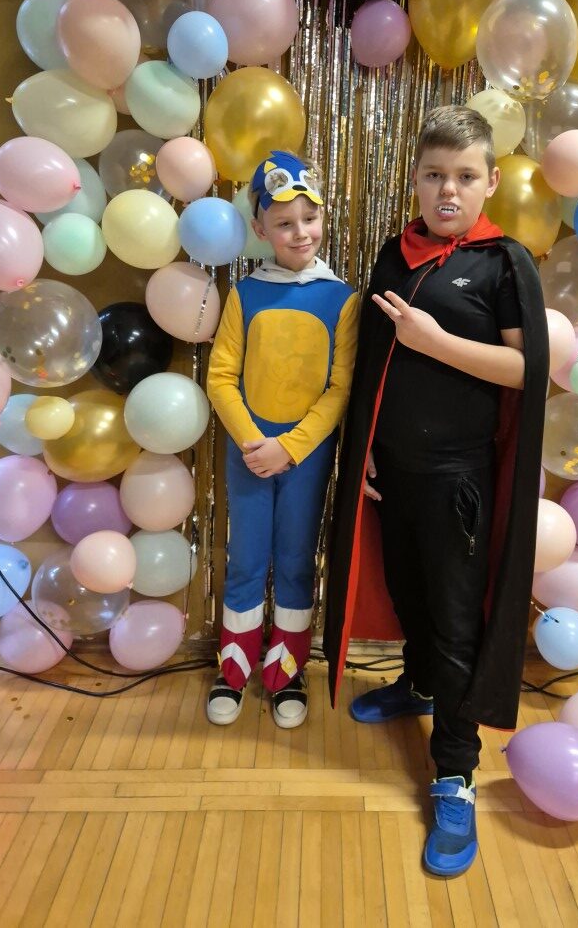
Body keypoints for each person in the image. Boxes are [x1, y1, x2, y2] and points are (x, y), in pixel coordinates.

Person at [322, 106, 549, 876]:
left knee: (454, 623)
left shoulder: (503, 264)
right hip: (392, 470)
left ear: (490, 180)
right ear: (415, 179)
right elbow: (377, 363)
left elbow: (527, 370)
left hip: (458, 479)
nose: (448, 189)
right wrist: (367, 449)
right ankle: (417, 684)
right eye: (434, 175)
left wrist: (439, 340)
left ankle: (455, 772)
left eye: (464, 176)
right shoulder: (396, 252)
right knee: (407, 590)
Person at [207, 150, 359, 730]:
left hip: (306, 456)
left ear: (323, 218)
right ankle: (234, 666)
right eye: (285, 223)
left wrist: (291, 447)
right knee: (246, 558)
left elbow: (340, 387)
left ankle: (287, 671)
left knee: (296, 560)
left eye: (309, 219)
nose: (300, 233)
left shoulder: (341, 298)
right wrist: (254, 443)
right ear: (260, 228)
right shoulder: (245, 294)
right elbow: (221, 376)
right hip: (249, 454)